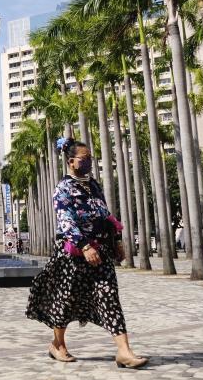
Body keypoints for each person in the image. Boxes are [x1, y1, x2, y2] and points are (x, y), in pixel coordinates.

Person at [25, 138, 148, 368]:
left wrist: (117, 241)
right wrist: (84, 245)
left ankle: (124, 351)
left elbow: (105, 214)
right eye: (85, 158)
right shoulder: (63, 188)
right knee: (66, 299)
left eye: (90, 158)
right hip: (72, 254)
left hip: (99, 252)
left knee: (109, 296)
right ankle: (57, 344)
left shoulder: (94, 185)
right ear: (71, 162)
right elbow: (66, 220)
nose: (89, 162)